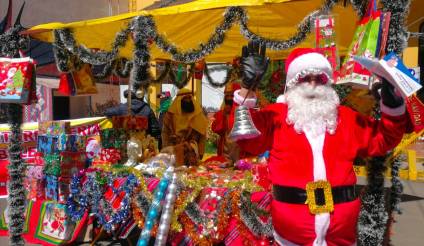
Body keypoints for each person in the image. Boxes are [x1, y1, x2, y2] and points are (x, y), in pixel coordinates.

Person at [230, 43, 407, 246]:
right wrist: (246, 87)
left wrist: (393, 104)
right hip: (291, 236)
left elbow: (385, 138)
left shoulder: (345, 118)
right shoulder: (277, 116)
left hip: (340, 236)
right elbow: (247, 138)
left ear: (327, 83)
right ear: (292, 84)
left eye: (319, 78)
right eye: (305, 78)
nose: (313, 84)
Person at [161, 88, 208, 166]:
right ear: (179, 100)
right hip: (174, 152)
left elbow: (202, 134)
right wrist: (166, 150)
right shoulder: (170, 115)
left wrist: (200, 152)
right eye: (185, 98)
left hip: (191, 153)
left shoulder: (198, 115)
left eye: (189, 98)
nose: (188, 100)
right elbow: (165, 133)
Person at [211, 82, 243, 164]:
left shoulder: (243, 111)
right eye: (227, 96)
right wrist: (224, 115)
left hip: (240, 149)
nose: (229, 98)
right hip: (225, 150)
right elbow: (216, 129)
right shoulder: (220, 113)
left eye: (232, 96)